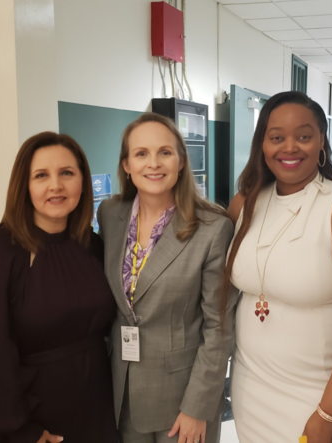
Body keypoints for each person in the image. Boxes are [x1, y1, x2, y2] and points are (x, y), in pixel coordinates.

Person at [223, 91, 332, 442]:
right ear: (262, 144)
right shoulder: (246, 203)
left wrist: (328, 412)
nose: (290, 147)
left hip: (316, 393)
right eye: (277, 137)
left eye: (304, 136)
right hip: (250, 386)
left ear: (321, 141)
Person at [0, 132, 118, 443]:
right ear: (24, 186)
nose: (55, 185)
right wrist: (22, 432)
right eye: (41, 175)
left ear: (82, 182)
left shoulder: (91, 245)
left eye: (66, 173)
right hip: (28, 421)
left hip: (94, 410)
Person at [97, 112, 237, 443]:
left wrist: (198, 407)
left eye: (165, 152)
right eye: (141, 153)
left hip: (182, 399)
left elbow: (219, 329)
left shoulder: (212, 228)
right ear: (127, 165)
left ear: (181, 161)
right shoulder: (110, 215)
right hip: (123, 390)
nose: (153, 164)